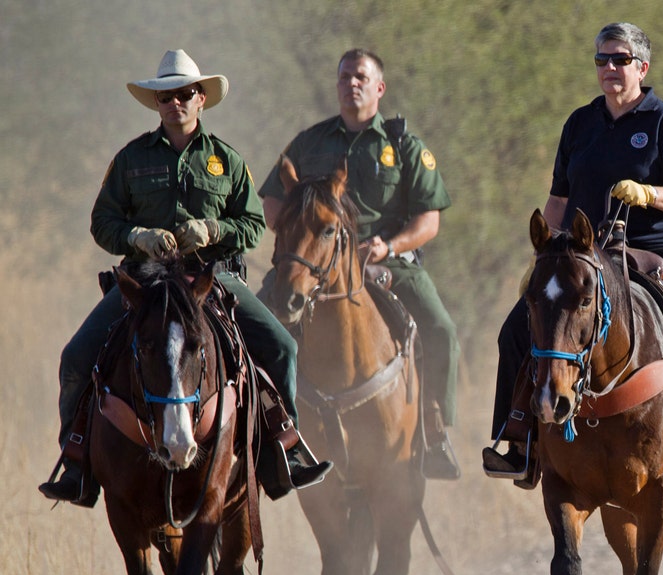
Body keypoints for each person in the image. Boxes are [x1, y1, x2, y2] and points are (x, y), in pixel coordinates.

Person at [39, 49, 331, 505]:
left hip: (211, 280)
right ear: (157, 104)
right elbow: (102, 223)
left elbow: (254, 225)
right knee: (76, 356)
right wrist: (137, 237)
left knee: (282, 348)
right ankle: (75, 462)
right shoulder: (130, 159)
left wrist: (213, 230)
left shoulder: (228, 161)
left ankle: (284, 453)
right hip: (145, 282)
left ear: (201, 99)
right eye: (166, 96)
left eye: (185, 94)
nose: (176, 102)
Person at [482, 22, 663, 483]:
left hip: (657, 242)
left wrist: (647, 193)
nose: (610, 68)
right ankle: (517, 437)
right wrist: (543, 261)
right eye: (602, 60)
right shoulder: (579, 123)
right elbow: (557, 202)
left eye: (620, 59)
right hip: (582, 250)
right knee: (515, 330)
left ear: (642, 67)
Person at [259, 48, 461, 480]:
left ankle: (435, 430)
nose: (352, 84)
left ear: (379, 88)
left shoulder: (404, 146)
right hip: (316, 263)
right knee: (254, 322)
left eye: (361, 78)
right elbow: (273, 200)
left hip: (387, 262)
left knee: (441, 328)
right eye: (345, 77)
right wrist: (298, 241)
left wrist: (388, 245)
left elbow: (429, 219)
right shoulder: (309, 142)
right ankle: (267, 431)